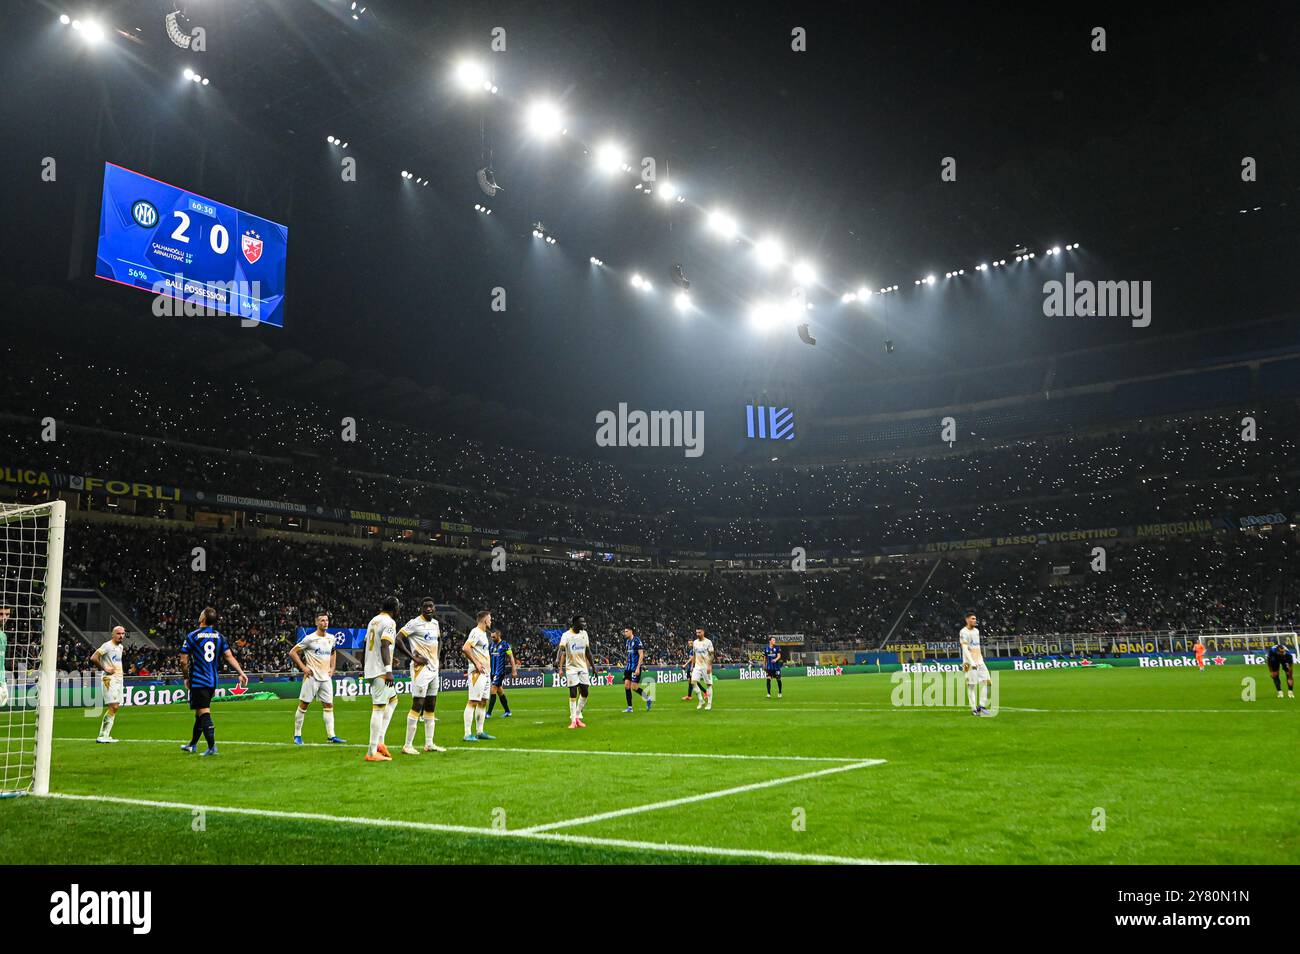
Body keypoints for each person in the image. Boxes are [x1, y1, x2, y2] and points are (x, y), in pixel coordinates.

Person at [179, 607, 249, 756]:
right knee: (199, 712)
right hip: (212, 681)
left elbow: (183, 661)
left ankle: (212, 747)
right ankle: (192, 744)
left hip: (198, 680)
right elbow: (229, 657)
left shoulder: (192, 636)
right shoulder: (220, 637)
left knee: (204, 712)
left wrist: (186, 677)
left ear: (202, 618)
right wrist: (241, 672)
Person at [288, 610, 345, 745]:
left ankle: (331, 736)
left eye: (326, 620)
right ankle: (297, 735)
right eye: (322, 620)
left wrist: (332, 668)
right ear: (316, 622)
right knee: (303, 705)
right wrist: (303, 668)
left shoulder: (331, 637)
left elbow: (333, 652)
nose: (325, 623)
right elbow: (293, 652)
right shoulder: (310, 638)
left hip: (326, 677)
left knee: (329, 705)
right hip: (312, 677)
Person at [398, 597, 445, 753]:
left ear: (434, 608)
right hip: (420, 670)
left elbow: (439, 641)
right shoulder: (414, 623)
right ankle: (407, 745)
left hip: (433, 670)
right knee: (417, 704)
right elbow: (398, 639)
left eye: (431, 606)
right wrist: (413, 657)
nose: (429, 608)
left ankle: (429, 743)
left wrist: (437, 658)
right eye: (425, 606)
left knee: (430, 706)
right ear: (421, 608)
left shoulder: (435, 624)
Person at [362, 596, 401, 762]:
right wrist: (388, 669)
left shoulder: (373, 620)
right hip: (380, 671)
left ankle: (380, 742)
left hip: (372, 667)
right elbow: (385, 644)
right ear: (394, 608)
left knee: (393, 700)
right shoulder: (389, 622)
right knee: (378, 708)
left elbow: (366, 643)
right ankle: (371, 752)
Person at [461, 610, 495, 742]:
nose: (491, 621)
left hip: (485, 673)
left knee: (483, 701)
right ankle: (467, 733)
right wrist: (476, 663)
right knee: (473, 701)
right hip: (477, 673)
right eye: (490, 619)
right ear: (485, 620)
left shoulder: (483, 634)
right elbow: (466, 648)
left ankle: (480, 732)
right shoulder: (475, 632)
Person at [557, 614, 595, 729]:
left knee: (585, 692)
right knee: (573, 692)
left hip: (582, 667)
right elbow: (561, 649)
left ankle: (577, 716)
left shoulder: (584, 634)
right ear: (575, 623)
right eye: (582, 622)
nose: (584, 624)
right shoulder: (566, 635)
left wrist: (593, 667)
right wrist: (557, 659)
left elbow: (588, 651)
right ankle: (573, 721)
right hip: (571, 668)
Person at [90, 626, 126, 743]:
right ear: (113, 634)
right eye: (118, 633)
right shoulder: (107, 646)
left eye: (123, 633)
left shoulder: (120, 647)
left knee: (115, 707)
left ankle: (105, 735)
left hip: (119, 679)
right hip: (109, 679)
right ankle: (102, 736)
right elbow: (94, 658)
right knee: (113, 706)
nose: (121, 636)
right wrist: (105, 668)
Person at [959, 612, 992, 716]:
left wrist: (979, 660)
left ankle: (981, 706)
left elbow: (976, 647)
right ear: (967, 620)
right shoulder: (963, 632)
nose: (975, 620)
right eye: (973, 618)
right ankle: (974, 709)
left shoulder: (977, 631)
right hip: (969, 664)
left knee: (988, 683)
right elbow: (964, 648)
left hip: (980, 661)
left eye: (975, 618)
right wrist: (971, 662)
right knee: (971, 686)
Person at [486, 627, 517, 718]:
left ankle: (488, 713)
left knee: (493, 689)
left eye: (494, 637)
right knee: (500, 692)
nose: (492, 638)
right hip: (492, 672)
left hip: (499, 672)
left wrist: (514, 670)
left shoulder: (505, 645)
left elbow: (511, 657)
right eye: (491, 637)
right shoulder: (491, 645)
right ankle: (507, 711)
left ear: (499, 635)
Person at [622, 627, 650, 712]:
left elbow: (641, 655)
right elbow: (628, 654)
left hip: (635, 667)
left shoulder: (637, 640)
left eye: (626, 631)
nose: (625, 633)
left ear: (631, 632)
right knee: (626, 685)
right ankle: (630, 708)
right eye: (624, 631)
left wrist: (638, 668)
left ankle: (648, 698)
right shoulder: (627, 642)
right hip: (628, 667)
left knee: (634, 687)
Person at [690, 627, 714, 711]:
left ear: (703, 632)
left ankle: (709, 704)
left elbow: (711, 655)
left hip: (705, 666)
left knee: (709, 685)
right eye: (696, 632)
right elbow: (694, 655)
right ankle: (701, 700)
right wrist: (692, 666)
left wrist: (709, 666)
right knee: (693, 682)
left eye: (699, 632)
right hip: (697, 666)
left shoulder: (708, 642)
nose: (698, 634)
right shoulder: (695, 642)